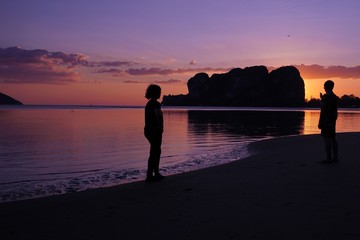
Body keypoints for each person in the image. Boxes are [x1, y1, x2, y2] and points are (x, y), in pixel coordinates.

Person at [144, 84, 165, 182]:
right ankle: (152, 174)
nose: (160, 94)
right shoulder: (156, 104)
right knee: (155, 151)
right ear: (156, 93)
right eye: (159, 92)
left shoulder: (149, 104)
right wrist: (160, 127)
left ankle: (152, 173)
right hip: (154, 130)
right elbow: (158, 117)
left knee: (155, 151)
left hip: (148, 130)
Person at [318, 80, 339, 163]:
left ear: (326, 87)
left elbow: (326, 108)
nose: (324, 88)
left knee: (327, 139)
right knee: (332, 138)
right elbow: (328, 107)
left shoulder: (329, 97)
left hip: (327, 121)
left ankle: (329, 159)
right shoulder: (332, 97)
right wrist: (322, 98)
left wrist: (323, 122)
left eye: (324, 87)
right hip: (331, 120)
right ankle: (335, 158)